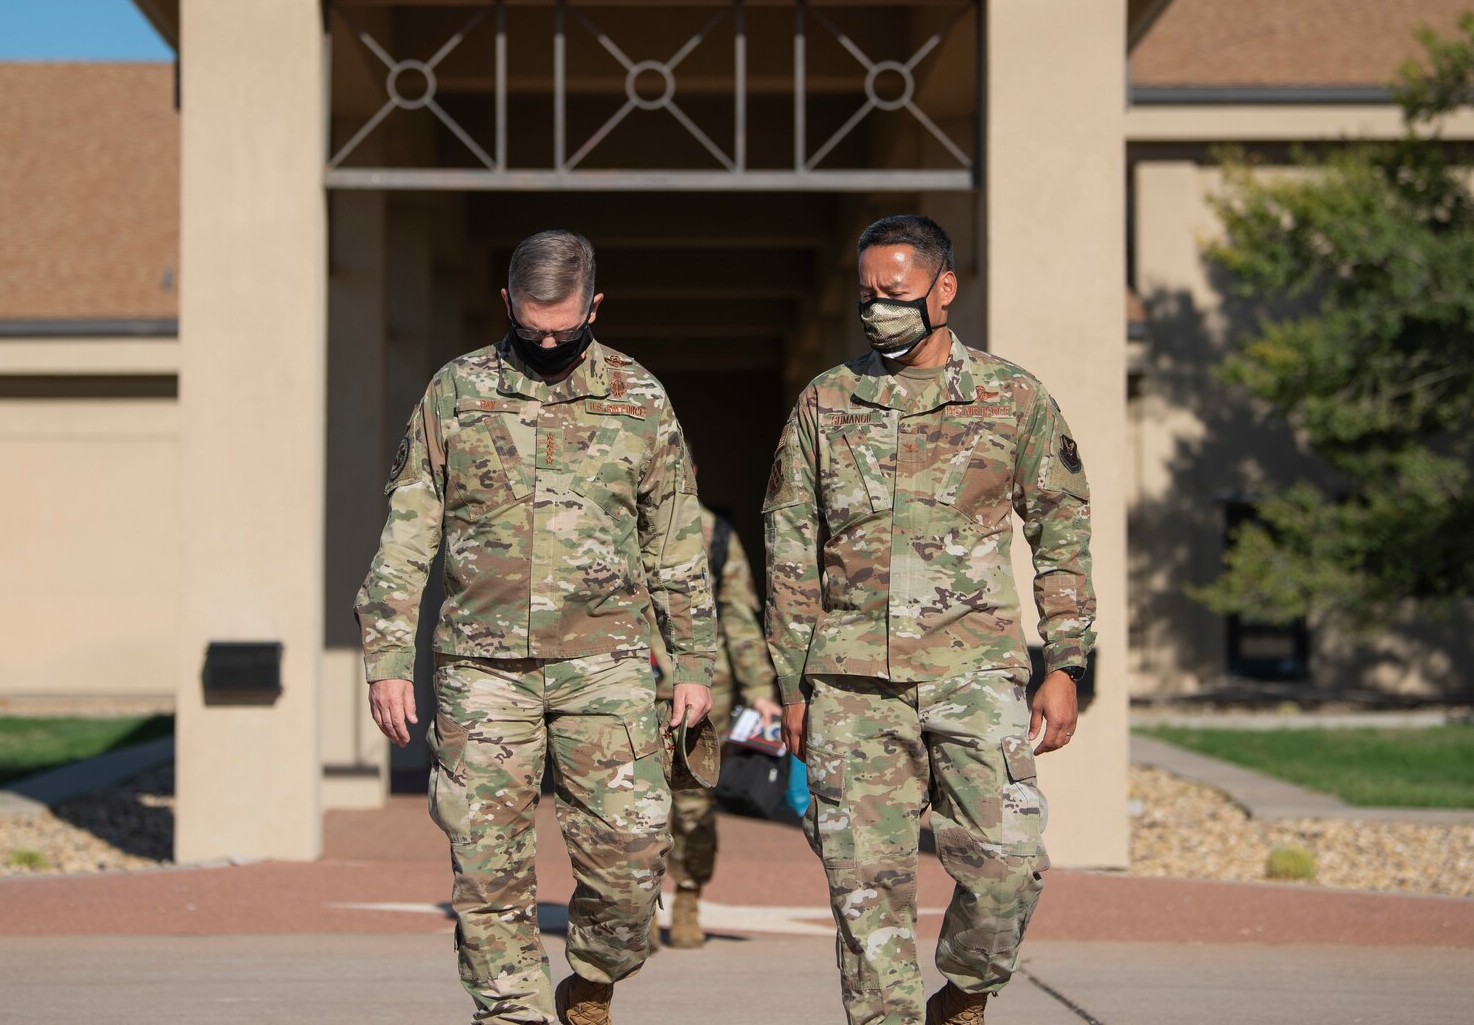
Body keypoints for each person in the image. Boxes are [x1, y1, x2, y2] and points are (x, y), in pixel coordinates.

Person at [356, 228, 716, 1025]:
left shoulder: (639, 396)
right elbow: (408, 530)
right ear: (506, 306)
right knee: (486, 865)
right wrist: (386, 654)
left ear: (595, 304)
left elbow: (677, 543)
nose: (548, 343)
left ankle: (591, 979)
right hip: (482, 669)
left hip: (608, 664)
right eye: (531, 328)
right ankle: (509, 1010)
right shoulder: (456, 392)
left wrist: (693, 660)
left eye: (565, 327)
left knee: (631, 856)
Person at [763, 214, 1094, 1025]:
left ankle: (965, 993)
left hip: (975, 672)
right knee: (863, 887)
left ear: (944, 291)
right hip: (850, 685)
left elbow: (1062, 528)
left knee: (1009, 862)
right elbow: (788, 546)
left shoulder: (1013, 398)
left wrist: (1067, 661)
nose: (878, 310)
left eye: (897, 294)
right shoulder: (826, 401)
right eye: (867, 294)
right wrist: (792, 683)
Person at [647, 505, 783, 950]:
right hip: (626, 681)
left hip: (706, 688)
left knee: (692, 804)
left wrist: (760, 689)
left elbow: (740, 615)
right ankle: (636, 907)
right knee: (630, 803)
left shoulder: (715, 533)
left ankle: (688, 895)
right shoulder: (614, 515)